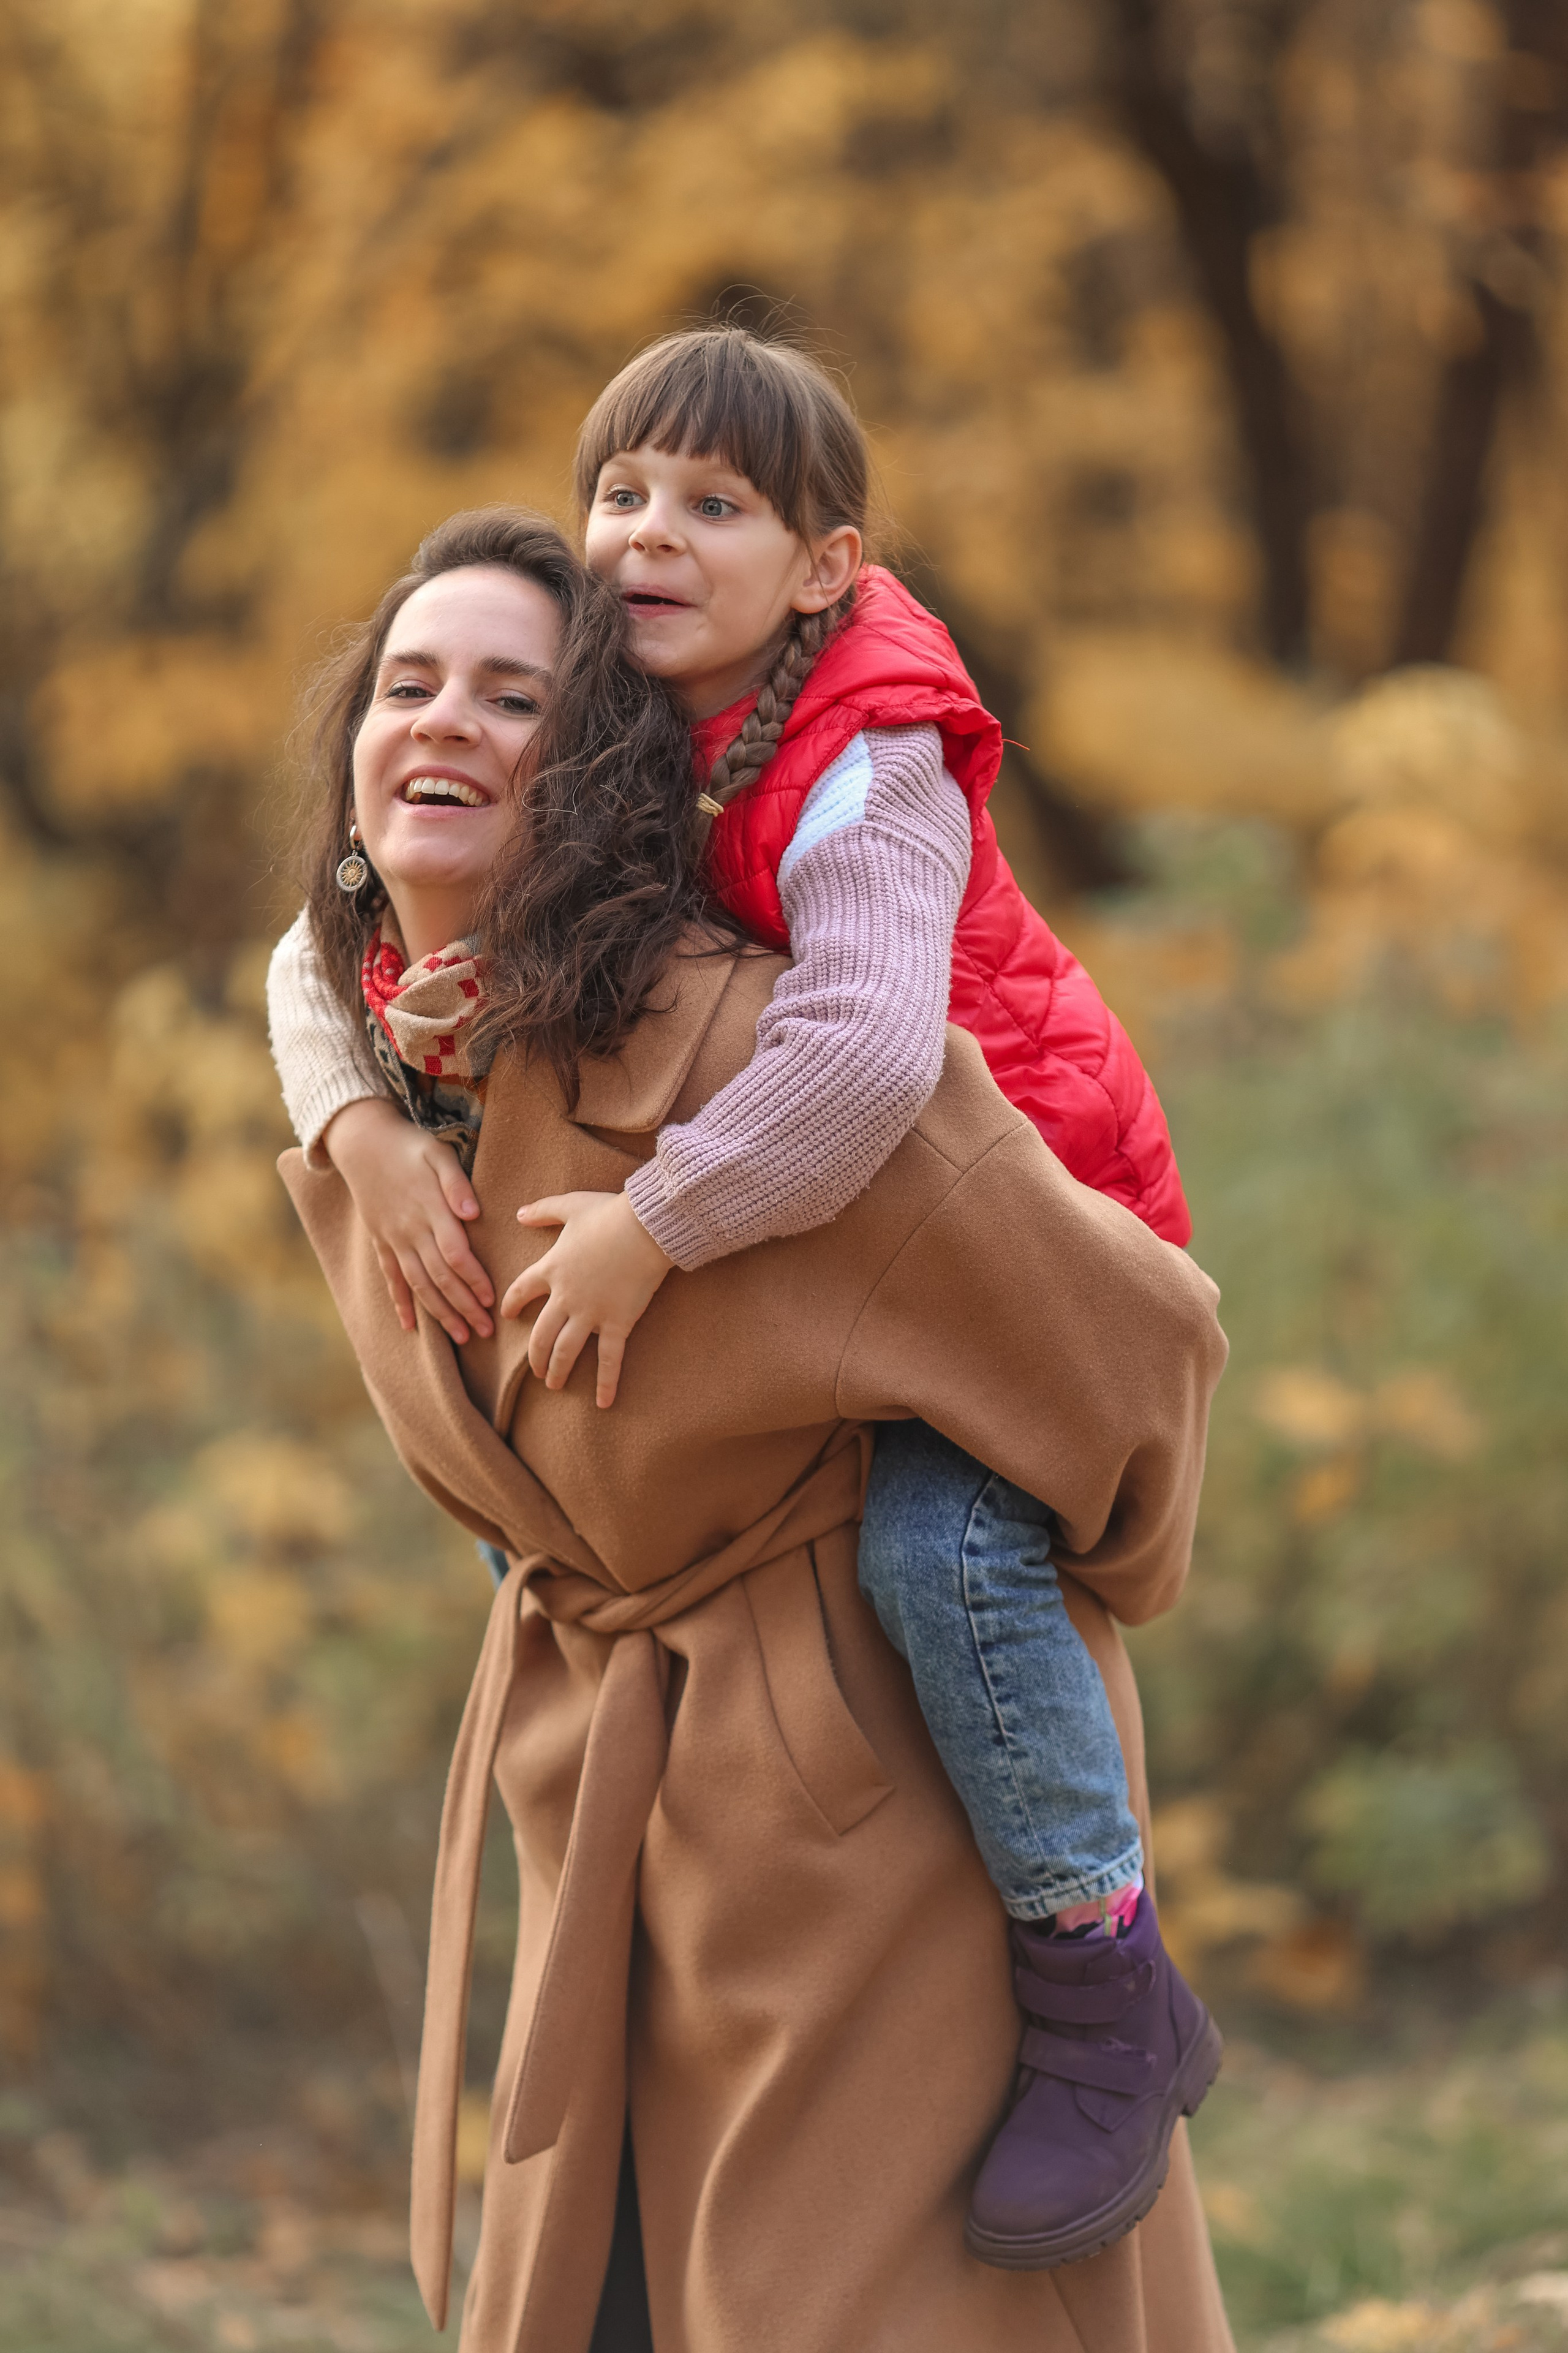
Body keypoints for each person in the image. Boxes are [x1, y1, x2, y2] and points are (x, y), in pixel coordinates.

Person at [268, 334, 1210, 2264]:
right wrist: (367, 1131)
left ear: (826, 564)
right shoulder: (591, 861)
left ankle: (1097, 1957)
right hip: (652, 1785)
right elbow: (311, 937)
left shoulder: (866, 766)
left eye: (715, 506)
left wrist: (659, 1222)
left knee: (948, 1556)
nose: (650, 537)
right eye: (624, 497)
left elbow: (869, 1063)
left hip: (1024, 1196)